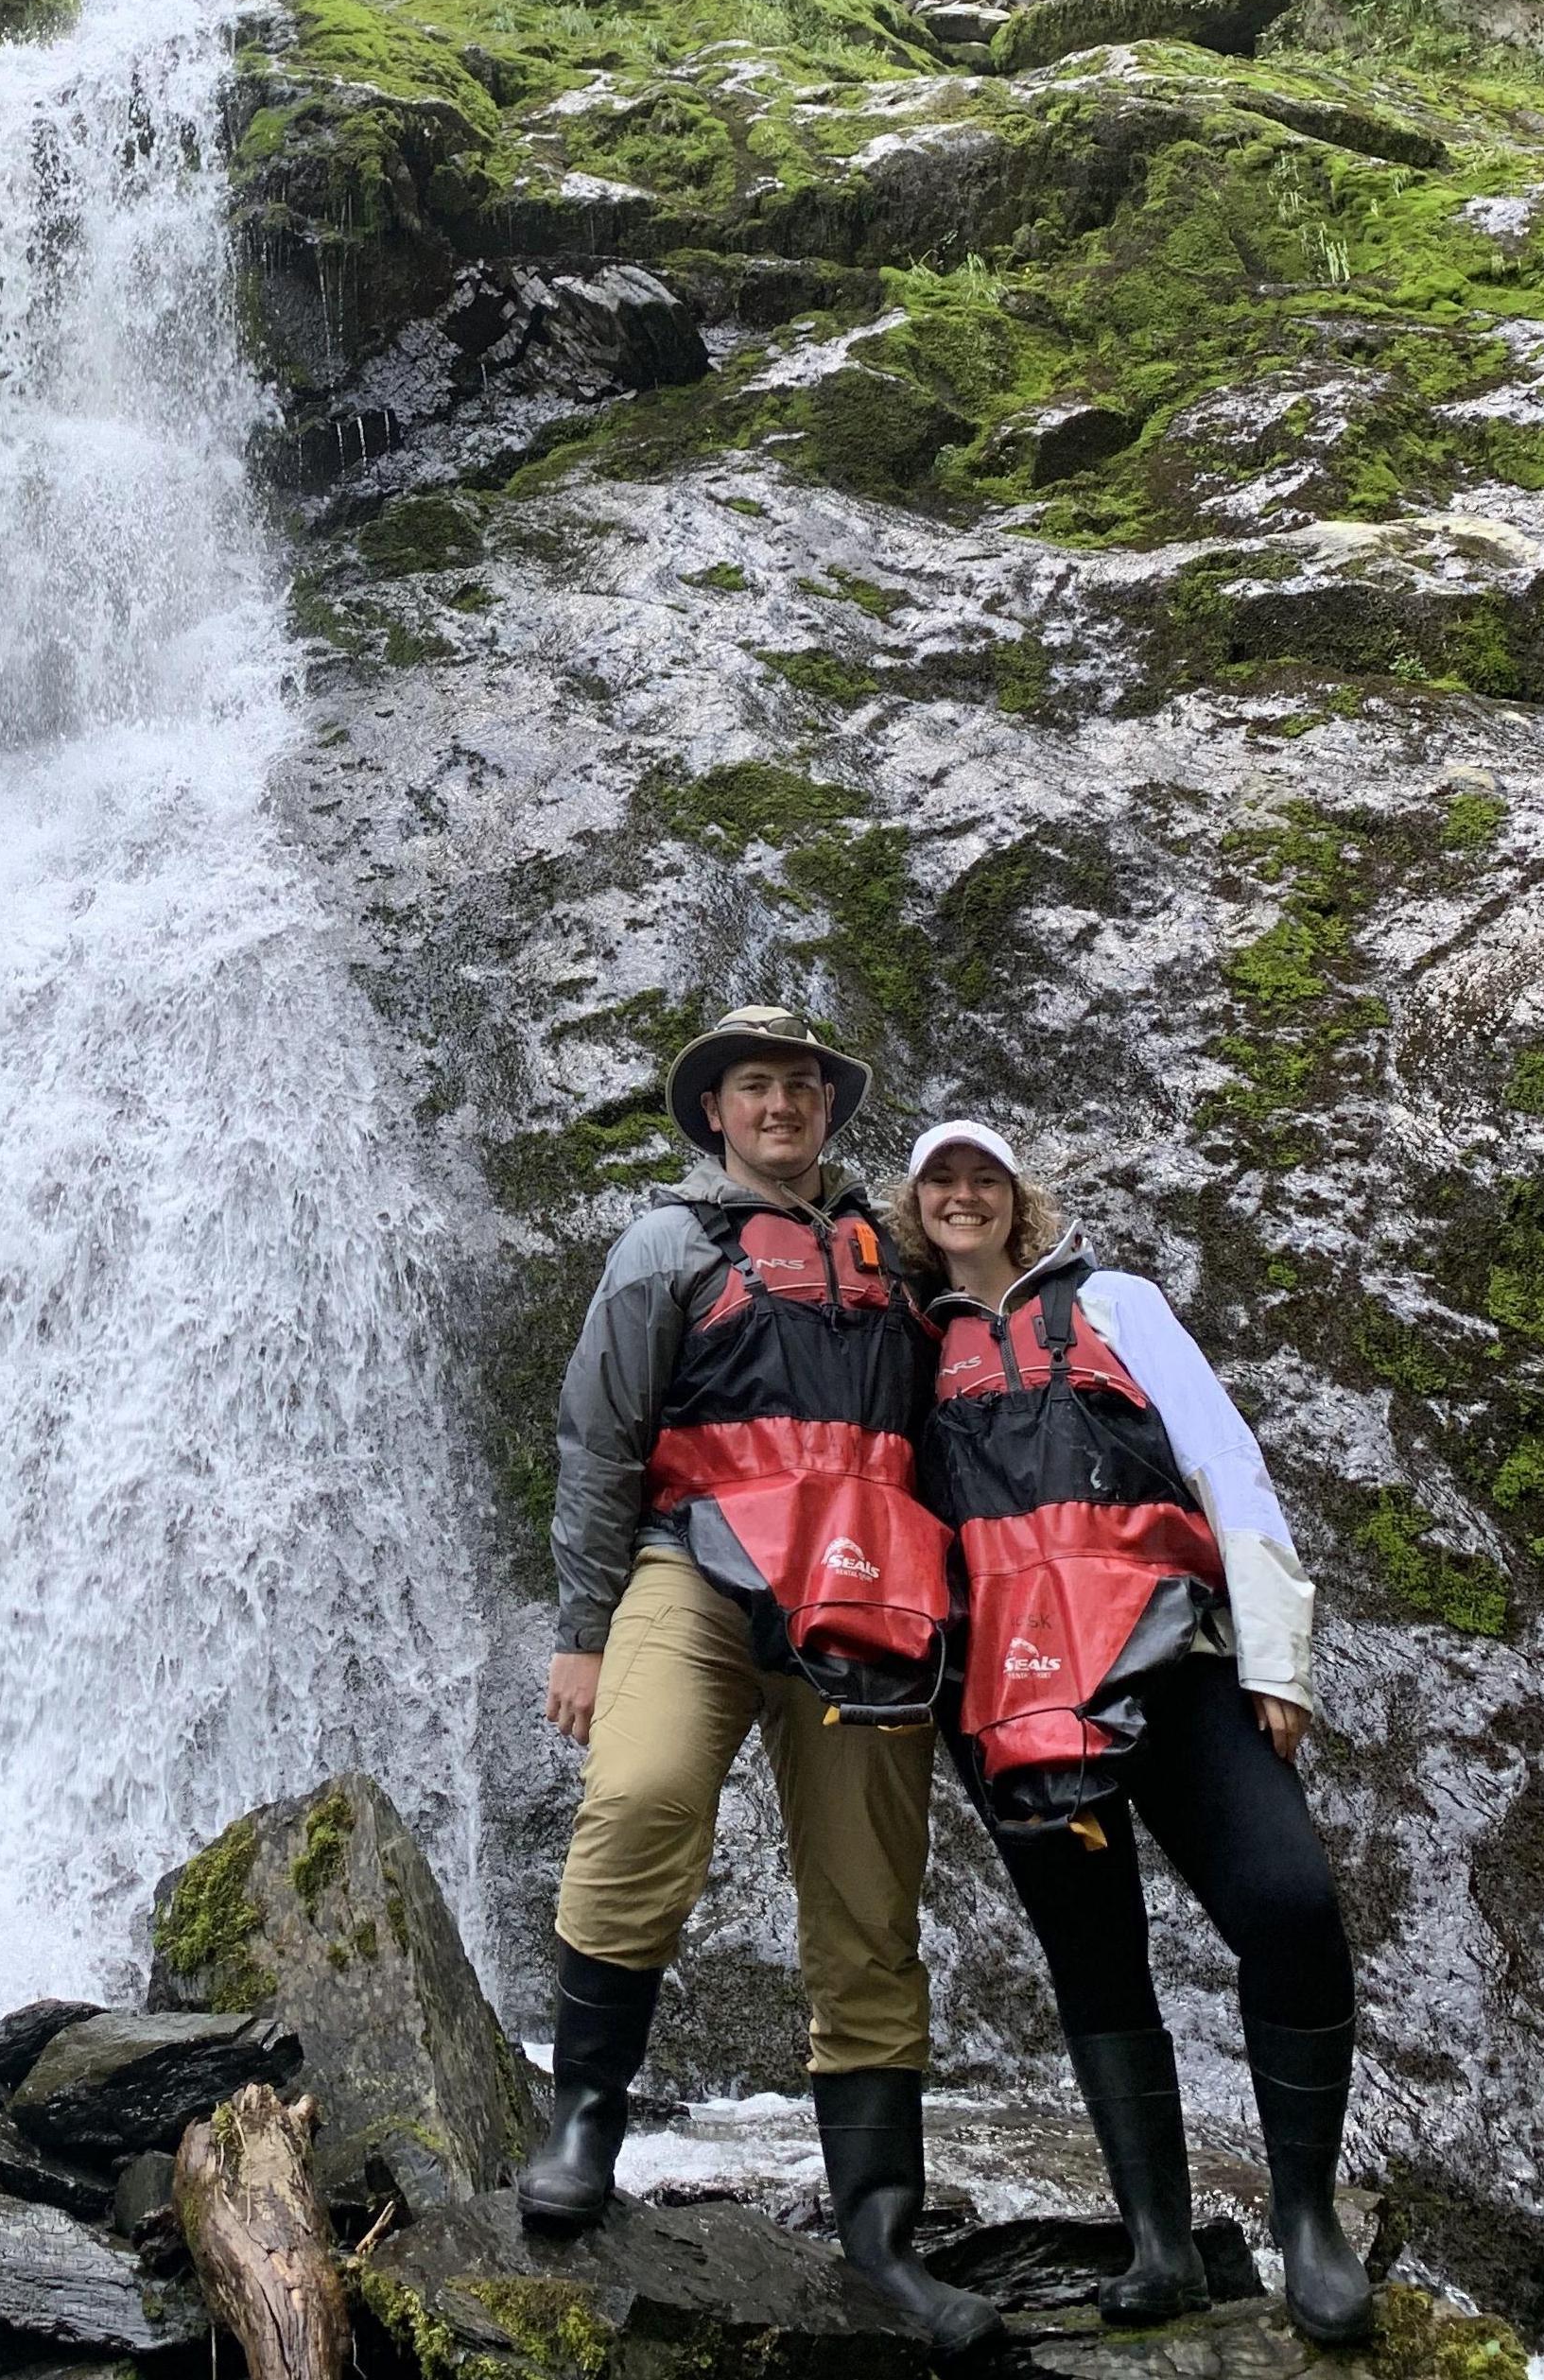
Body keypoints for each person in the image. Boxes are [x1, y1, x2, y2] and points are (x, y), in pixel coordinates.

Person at [519, 1004, 999, 2355]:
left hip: (868, 1595)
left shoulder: (899, 1255)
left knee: (866, 1892)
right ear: (714, 1111)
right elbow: (600, 1435)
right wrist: (581, 1627)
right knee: (643, 1790)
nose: (779, 1103)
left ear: (826, 1108)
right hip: (695, 1565)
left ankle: (878, 2231)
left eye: (799, 1083)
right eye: (752, 1085)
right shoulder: (664, 1244)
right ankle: (584, 2122)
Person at [895, 1118, 1372, 2345]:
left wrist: (1276, 1654)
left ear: (1014, 1198)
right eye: (937, 1180)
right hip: (1009, 1700)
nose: (961, 1194)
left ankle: (1306, 2218)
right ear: (911, 1208)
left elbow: (1223, 1460)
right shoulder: (900, 1344)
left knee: (1288, 1901)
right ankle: (1160, 2242)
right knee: (1094, 1956)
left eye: (980, 1177)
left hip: (1175, 1660)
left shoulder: (1115, 1302)